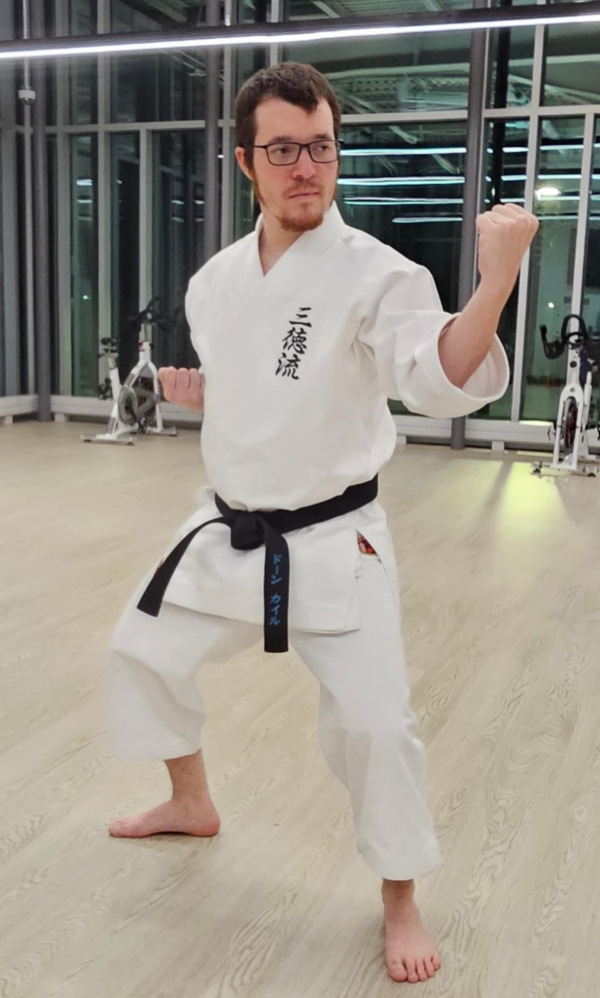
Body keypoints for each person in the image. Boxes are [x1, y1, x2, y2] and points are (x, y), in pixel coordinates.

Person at [107, 62, 538, 985]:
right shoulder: (215, 282)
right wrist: (208, 396)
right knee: (140, 650)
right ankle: (191, 803)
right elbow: (270, 385)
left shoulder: (380, 274)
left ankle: (400, 896)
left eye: (321, 147)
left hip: (337, 538)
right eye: (283, 150)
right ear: (245, 162)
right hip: (228, 529)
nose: (306, 167)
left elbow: (437, 376)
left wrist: (496, 283)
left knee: (377, 727)